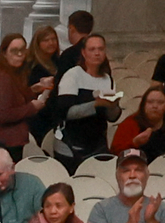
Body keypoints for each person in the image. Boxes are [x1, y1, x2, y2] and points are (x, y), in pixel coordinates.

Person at [41, 31, 123, 161]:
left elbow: (111, 118)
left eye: (100, 49)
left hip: (98, 144)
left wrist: (113, 106)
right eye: (92, 49)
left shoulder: (108, 79)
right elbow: (66, 112)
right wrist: (96, 104)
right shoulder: (73, 75)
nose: (97, 53)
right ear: (84, 53)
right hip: (71, 146)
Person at [0, 33, 51, 158]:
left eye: (22, 50)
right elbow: (4, 114)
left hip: (11, 140)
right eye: (14, 51)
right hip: (6, 142)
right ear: (4, 53)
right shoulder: (2, 77)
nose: (19, 55)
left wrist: (36, 88)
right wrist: (32, 108)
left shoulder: (13, 73)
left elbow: (16, 97)